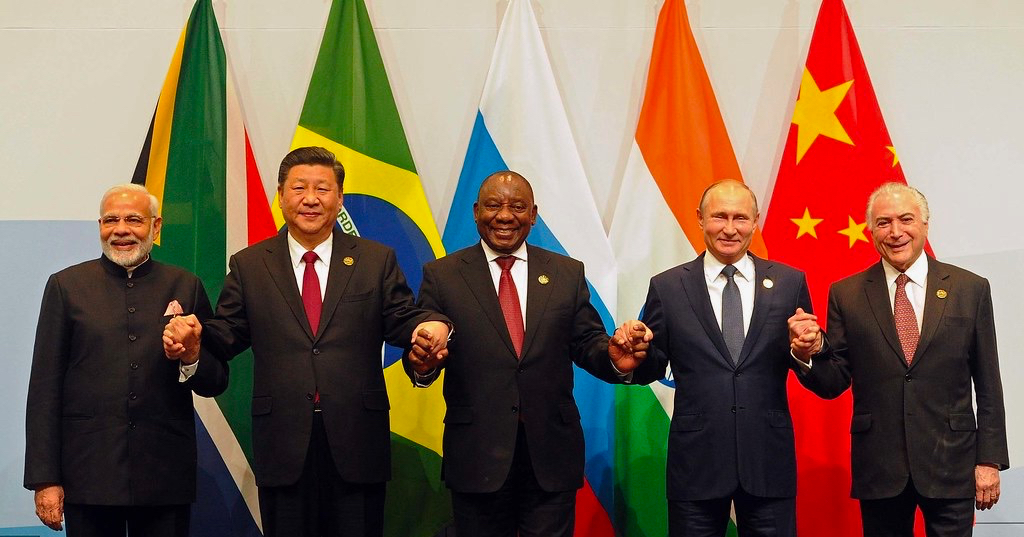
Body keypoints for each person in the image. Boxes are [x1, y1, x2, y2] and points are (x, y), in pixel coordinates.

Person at [163, 146, 450, 537]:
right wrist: (195, 341)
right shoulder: (250, 264)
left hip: (358, 439)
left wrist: (431, 326)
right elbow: (226, 334)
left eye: (322, 189)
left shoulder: (375, 259)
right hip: (282, 441)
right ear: (281, 196)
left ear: (339, 198)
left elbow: (403, 320)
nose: (311, 199)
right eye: (299, 188)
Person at [403, 170, 651, 537]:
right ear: (476, 211)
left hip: (551, 453)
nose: (505, 216)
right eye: (493, 205)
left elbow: (587, 341)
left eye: (518, 207)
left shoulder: (566, 272)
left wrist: (614, 358)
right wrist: (422, 363)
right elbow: (427, 347)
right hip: (477, 454)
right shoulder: (443, 275)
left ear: (533, 214)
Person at [790, 182, 1008, 537]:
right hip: (880, 466)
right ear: (870, 230)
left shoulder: (970, 289)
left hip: (952, 462)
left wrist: (989, 460)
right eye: (883, 222)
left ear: (925, 224)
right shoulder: (846, 294)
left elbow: (988, 383)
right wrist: (807, 354)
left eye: (906, 219)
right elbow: (834, 381)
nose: (895, 232)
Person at [24, 184, 227, 537]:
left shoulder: (186, 285)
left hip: (165, 476)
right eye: (111, 220)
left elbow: (216, 381)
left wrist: (192, 356)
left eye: (133, 220)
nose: (121, 230)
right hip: (88, 475)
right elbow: (44, 388)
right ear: (100, 226)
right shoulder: (66, 286)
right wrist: (45, 479)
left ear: (155, 226)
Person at [630, 179, 817, 537]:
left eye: (740, 218)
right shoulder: (667, 287)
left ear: (755, 221)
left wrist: (807, 352)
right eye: (719, 216)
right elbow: (651, 367)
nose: (730, 229)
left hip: (767, 462)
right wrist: (637, 352)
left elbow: (817, 370)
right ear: (700, 218)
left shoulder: (789, 282)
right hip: (696, 464)